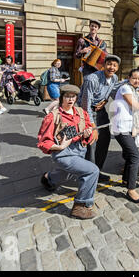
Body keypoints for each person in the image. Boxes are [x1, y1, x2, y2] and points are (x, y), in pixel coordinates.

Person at [38, 84, 99, 219]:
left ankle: (48, 179)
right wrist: (59, 147)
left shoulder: (81, 113)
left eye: (73, 96)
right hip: (63, 153)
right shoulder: (53, 116)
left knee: (67, 175)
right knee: (92, 170)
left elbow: (88, 130)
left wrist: (88, 133)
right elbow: (43, 142)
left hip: (79, 151)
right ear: (61, 98)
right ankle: (80, 206)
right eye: (67, 96)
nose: (70, 100)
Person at [78, 55, 125, 182]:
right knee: (91, 144)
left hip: (100, 111)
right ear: (104, 65)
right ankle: (89, 176)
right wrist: (92, 127)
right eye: (109, 64)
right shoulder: (92, 79)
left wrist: (105, 101)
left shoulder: (114, 78)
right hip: (86, 112)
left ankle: (97, 171)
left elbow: (113, 93)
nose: (112, 67)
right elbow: (85, 104)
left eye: (115, 65)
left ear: (118, 68)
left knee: (104, 140)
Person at [112, 69, 139, 203]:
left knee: (130, 155)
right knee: (135, 156)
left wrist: (138, 127)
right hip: (121, 128)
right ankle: (131, 190)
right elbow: (136, 106)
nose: (137, 81)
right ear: (129, 78)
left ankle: (126, 180)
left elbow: (135, 112)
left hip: (129, 127)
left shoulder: (134, 90)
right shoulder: (125, 87)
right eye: (134, 78)